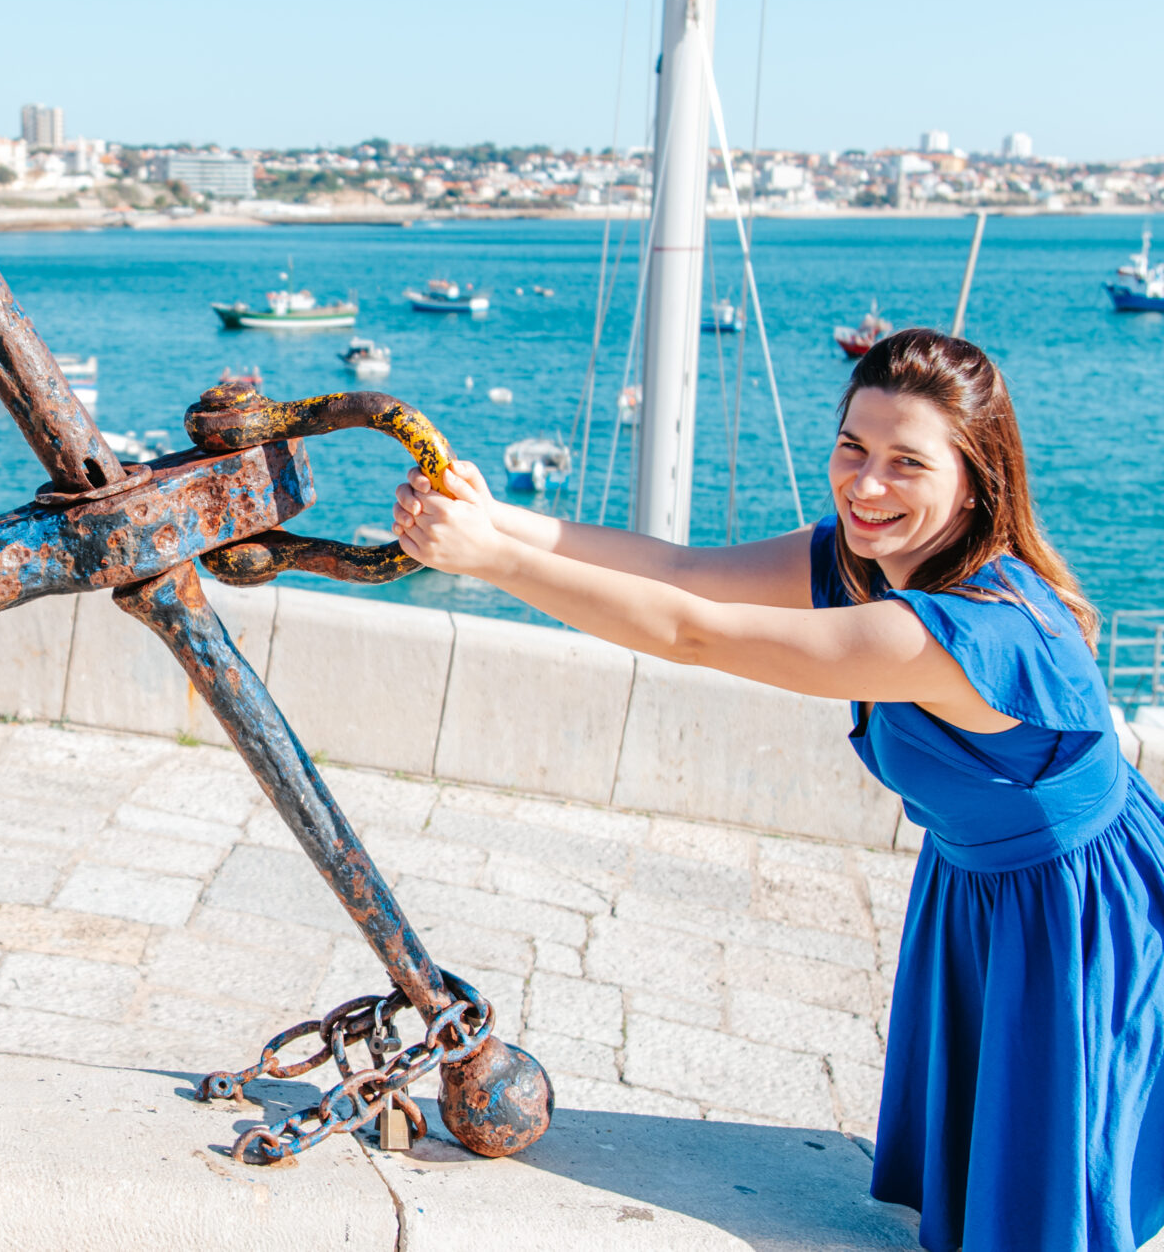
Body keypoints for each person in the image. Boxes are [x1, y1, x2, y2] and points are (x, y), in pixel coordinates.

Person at [391, 328, 1163, 1252]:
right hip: (986, 886)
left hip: (1074, 913)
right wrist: (497, 516)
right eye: (854, 447)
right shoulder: (862, 561)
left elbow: (694, 633)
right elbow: (679, 570)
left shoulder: (966, 631)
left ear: (975, 478)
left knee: (1050, 1206)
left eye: (907, 462)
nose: (866, 485)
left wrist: (491, 560)